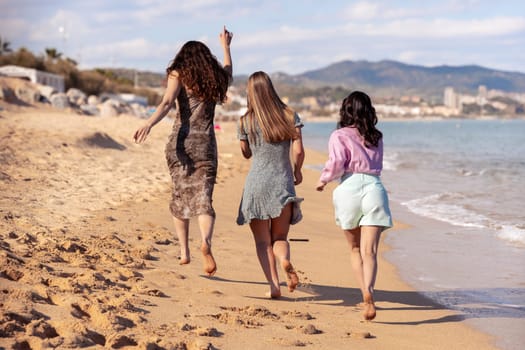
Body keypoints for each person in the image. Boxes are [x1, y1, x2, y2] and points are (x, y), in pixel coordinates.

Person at [133, 26, 233, 277]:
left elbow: (167, 102)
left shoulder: (178, 73)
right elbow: (229, 72)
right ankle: (206, 243)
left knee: (180, 195)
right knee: (203, 198)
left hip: (180, 142)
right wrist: (226, 47)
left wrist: (148, 123)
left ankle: (184, 251)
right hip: (206, 144)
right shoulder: (216, 77)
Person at [316, 91, 392, 321]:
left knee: (355, 249)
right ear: (369, 110)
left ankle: (364, 294)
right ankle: (370, 291)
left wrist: (323, 180)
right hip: (373, 189)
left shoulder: (339, 135)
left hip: (348, 188)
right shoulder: (376, 136)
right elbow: (376, 165)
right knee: (371, 252)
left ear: (346, 110)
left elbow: (337, 162)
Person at [236, 71, 305, 299]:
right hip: (281, 183)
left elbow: (246, 153)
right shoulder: (289, 115)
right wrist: (297, 170)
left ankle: (274, 286)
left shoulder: (245, 120)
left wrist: (248, 143)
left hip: (256, 185)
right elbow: (298, 149)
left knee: (262, 241)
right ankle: (285, 260)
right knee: (279, 239)